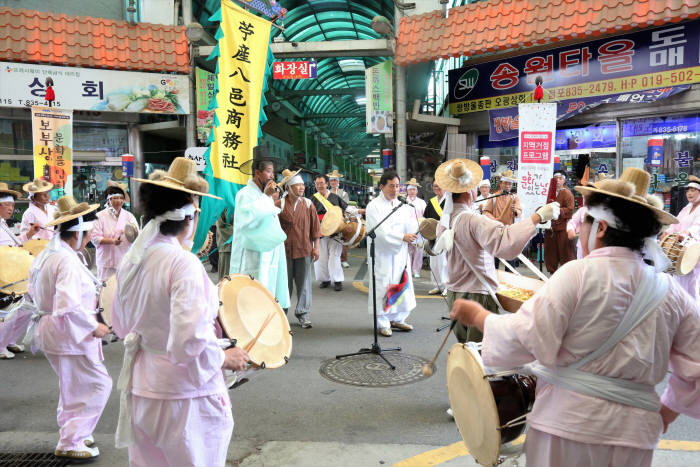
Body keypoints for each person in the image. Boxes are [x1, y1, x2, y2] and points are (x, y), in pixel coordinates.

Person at [450, 167, 700, 467]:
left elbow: (527, 337)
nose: (580, 232)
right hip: (636, 435)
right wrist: (664, 415)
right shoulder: (670, 292)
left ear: (602, 229)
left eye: (584, 224)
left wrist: (479, 317)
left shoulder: (577, 274)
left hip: (566, 426)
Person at [112, 157, 249, 466]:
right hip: (184, 396)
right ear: (191, 213)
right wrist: (224, 356)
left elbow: (121, 324)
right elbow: (190, 341)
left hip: (143, 387)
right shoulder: (181, 263)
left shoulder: (133, 259)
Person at [434, 159, 560, 343]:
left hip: (453, 292)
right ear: (471, 192)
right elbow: (504, 242)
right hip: (476, 295)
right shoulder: (472, 220)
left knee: (466, 350)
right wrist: (537, 217)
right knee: (482, 353)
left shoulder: (444, 221)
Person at [25, 195, 112, 461]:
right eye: (87, 232)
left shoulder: (51, 254)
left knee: (73, 387)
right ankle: (71, 439)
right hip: (69, 332)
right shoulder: (65, 260)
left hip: (55, 330)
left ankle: (76, 432)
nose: (89, 237)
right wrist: (94, 325)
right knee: (98, 384)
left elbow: (32, 293)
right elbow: (68, 304)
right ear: (78, 232)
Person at [229, 157, 290, 310]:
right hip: (252, 256)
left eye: (273, 172)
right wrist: (266, 197)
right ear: (257, 173)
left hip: (268, 253)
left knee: (268, 292)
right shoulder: (245, 194)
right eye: (269, 172)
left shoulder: (264, 195)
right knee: (251, 298)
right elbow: (249, 217)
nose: (272, 176)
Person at [365, 171, 419, 336]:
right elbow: (381, 232)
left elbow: (410, 224)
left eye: (397, 186)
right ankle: (382, 323)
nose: (395, 190)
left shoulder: (401, 205)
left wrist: (414, 234)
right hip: (383, 254)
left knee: (401, 283)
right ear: (382, 187)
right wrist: (402, 237)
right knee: (383, 286)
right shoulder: (373, 206)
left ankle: (398, 318)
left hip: (400, 253)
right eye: (391, 186)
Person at [0, 183, 40, 360]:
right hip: (3, 276)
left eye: (12, 206)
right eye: (7, 205)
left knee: (24, 309)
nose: (11, 209)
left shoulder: (3, 224)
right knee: (7, 311)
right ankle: (1, 346)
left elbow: (15, 244)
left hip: (13, 274)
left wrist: (30, 234)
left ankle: (9, 340)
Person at [278, 169, 320, 328]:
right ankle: (282, 313)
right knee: (284, 284)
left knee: (304, 284)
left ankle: (303, 313)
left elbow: (315, 229)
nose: (301, 188)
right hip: (284, 251)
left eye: (302, 185)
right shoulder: (279, 204)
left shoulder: (308, 204)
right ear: (288, 188)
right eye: (297, 185)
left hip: (304, 249)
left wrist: (316, 248)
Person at [660, 174, 700, 299]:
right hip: (682, 249)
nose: (689, 193)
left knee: (693, 284)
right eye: (688, 190)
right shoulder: (686, 208)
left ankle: (694, 313)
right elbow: (677, 223)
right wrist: (668, 231)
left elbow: (698, 225)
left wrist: (687, 233)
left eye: (693, 190)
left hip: (695, 250)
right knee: (679, 282)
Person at [91, 181, 138, 282]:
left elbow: (136, 235)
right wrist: (112, 241)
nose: (119, 201)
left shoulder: (129, 216)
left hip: (124, 261)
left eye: (121, 198)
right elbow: (94, 238)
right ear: (109, 200)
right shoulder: (100, 216)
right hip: (106, 263)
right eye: (116, 198)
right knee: (105, 293)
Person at [312, 174, 348, 291]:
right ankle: (325, 279)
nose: (319, 186)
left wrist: (358, 212)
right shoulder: (312, 199)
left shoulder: (334, 197)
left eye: (321, 183)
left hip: (335, 233)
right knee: (321, 258)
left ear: (326, 184)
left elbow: (346, 209)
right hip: (320, 233)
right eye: (317, 184)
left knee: (335, 257)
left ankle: (337, 280)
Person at [543, 170, 576, 273]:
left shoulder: (567, 193)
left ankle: (568, 273)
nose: (557, 180)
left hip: (562, 228)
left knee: (565, 251)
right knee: (551, 252)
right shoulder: (548, 192)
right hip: (550, 228)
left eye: (560, 178)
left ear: (564, 180)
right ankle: (552, 272)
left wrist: (559, 210)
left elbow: (570, 209)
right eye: (555, 178)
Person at [423, 180, 448, 295]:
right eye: (434, 186)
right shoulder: (431, 202)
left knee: (444, 262)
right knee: (434, 262)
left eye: (439, 186)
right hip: (433, 236)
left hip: (445, 235)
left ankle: (448, 286)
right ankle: (438, 285)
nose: (437, 188)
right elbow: (425, 219)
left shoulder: (449, 201)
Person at [328, 170, 351, 269]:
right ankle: (331, 259)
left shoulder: (343, 193)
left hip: (341, 218)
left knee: (342, 239)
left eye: (335, 180)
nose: (333, 182)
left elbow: (346, 207)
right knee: (329, 240)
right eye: (331, 181)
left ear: (338, 182)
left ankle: (343, 259)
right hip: (329, 219)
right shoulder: (327, 193)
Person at [405, 178, 427, 279]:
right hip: (407, 229)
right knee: (408, 250)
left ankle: (416, 270)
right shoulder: (403, 201)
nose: (412, 191)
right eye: (410, 189)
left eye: (414, 189)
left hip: (419, 228)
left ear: (417, 191)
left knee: (419, 251)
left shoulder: (422, 202)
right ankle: (408, 269)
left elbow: (425, 215)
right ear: (407, 191)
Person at [215, 209, 233, 281]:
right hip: (227, 248)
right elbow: (221, 225)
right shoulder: (223, 203)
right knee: (226, 281)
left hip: (243, 248)